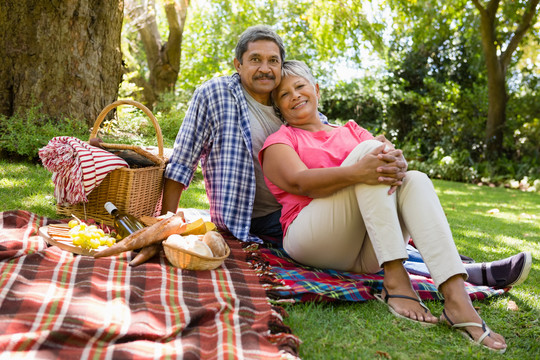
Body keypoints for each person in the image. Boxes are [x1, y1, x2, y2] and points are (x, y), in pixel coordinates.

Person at [161, 25, 531, 289]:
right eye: (255, 59)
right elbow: (185, 156)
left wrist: (389, 158)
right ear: (238, 64)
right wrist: (165, 221)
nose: (265, 69)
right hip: (260, 218)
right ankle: (442, 272)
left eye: (273, 61)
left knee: (399, 191)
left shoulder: (284, 102)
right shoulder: (217, 94)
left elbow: (324, 139)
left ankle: (466, 271)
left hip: (317, 207)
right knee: (371, 190)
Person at [258, 60, 522, 352]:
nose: (294, 95)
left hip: (368, 254)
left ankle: (456, 300)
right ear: (279, 109)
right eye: (284, 94)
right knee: (369, 153)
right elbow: (299, 182)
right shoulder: (280, 140)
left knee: (416, 180)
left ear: (316, 90)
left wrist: (398, 161)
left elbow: (388, 165)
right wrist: (361, 170)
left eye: (299, 86)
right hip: (312, 240)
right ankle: (396, 280)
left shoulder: (351, 130)